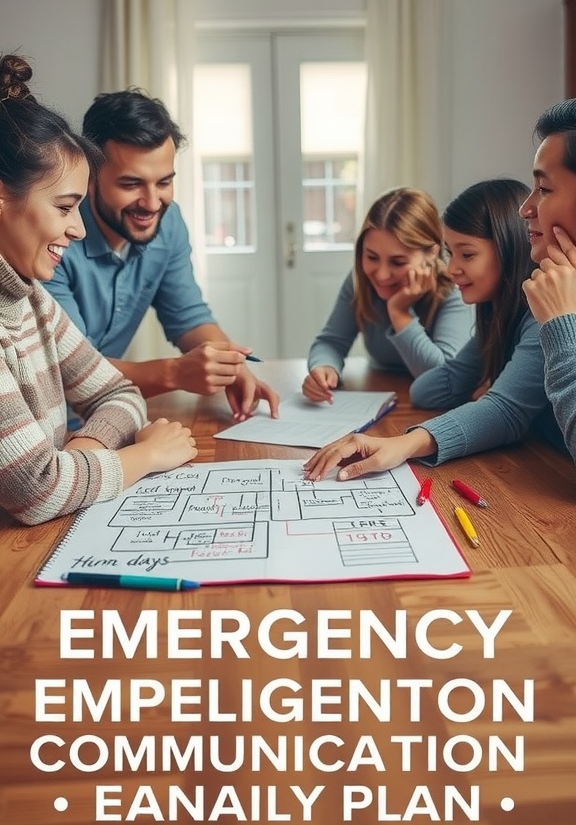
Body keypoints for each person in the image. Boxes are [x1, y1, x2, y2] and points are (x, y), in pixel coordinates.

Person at [0, 54, 197, 526]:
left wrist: (82, 451)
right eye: (66, 207)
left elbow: (120, 392)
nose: (78, 229)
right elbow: (39, 491)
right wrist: (145, 457)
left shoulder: (31, 299)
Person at [303, 178, 565, 481]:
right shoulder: (496, 312)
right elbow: (426, 390)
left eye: (466, 254)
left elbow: (505, 411)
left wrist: (403, 444)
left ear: (511, 249)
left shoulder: (536, 309)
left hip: (556, 466)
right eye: (450, 252)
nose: (452, 268)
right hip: (545, 455)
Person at [44, 89, 279, 421]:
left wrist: (229, 365)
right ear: (90, 178)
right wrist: (177, 373)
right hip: (49, 423)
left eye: (164, 182)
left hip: (108, 412)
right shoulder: (54, 238)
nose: (152, 203)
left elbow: (188, 317)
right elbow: (74, 370)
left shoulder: (168, 225)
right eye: (131, 184)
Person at [302, 188, 473, 403]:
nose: (382, 275)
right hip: (379, 393)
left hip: (434, 405)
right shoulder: (359, 281)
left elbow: (444, 378)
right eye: (371, 257)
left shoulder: (454, 289)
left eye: (398, 262)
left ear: (431, 253)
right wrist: (324, 367)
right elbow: (331, 342)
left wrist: (400, 312)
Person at [521, 98, 576, 460]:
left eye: (544, 189)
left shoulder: (557, 300)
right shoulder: (553, 284)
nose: (525, 208)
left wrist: (561, 324)